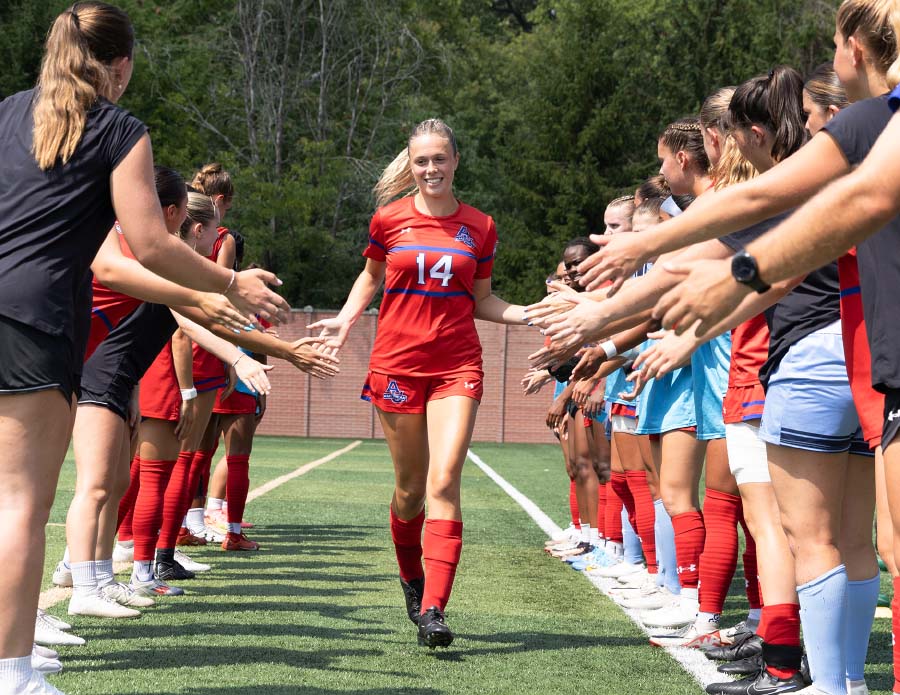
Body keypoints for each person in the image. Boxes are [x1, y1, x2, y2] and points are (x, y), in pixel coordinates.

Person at [0, 4, 288, 693]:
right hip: (36, 321)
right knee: (20, 506)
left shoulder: (9, 110)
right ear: (120, 65)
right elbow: (154, 242)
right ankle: (12, 671)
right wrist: (232, 279)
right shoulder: (119, 127)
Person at [310, 118, 527, 648]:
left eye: (440, 159)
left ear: (456, 162)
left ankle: (434, 607)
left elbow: (482, 300)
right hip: (397, 366)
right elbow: (371, 277)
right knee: (410, 491)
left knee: (444, 480)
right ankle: (411, 578)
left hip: (457, 367)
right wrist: (344, 318)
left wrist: (529, 313)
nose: (431, 168)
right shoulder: (388, 219)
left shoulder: (480, 225)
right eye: (421, 160)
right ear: (412, 165)